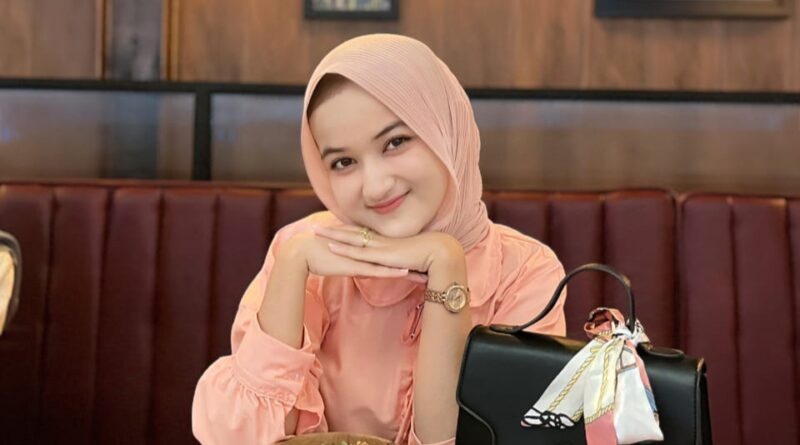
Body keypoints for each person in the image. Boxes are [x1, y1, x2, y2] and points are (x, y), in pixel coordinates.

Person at [191, 34, 566, 445]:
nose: (375, 186)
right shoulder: (303, 250)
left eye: (395, 142)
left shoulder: (525, 273)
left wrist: (446, 263)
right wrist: (293, 262)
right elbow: (244, 436)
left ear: (444, 130)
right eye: (343, 162)